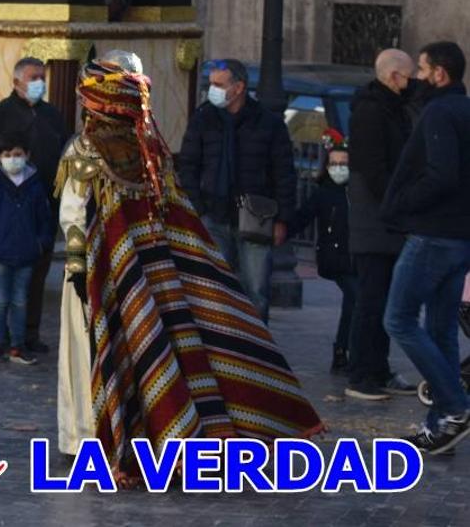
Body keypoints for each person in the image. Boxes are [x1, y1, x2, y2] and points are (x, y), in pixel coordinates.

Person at [55, 53, 323, 479]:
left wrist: (76, 264)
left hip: (106, 268)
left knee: (98, 349)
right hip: (155, 267)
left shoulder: (87, 148)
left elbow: (74, 212)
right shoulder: (151, 148)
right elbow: (172, 207)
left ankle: (87, 436)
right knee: (157, 344)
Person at [380, 40, 470, 455]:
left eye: (422, 68)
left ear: (440, 74)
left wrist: (399, 203)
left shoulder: (439, 112)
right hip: (458, 237)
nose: (417, 76)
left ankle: (454, 407)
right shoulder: (463, 110)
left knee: (398, 319)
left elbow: (441, 175)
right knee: (440, 329)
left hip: (433, 235)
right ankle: (443, 429)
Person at [176, 58, 297, 322]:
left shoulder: (268, 123)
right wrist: (198, 207)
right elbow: (188, 165)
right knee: (215, 287)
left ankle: (258, 352)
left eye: (219, 84)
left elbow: (284, 174)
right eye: (211, 84)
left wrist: (282, 220)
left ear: (239, 87)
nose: (213, 90)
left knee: (256, 289)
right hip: (214, 214)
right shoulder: (204, 118)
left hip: (256, 216)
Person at [0, 56, 70, 352]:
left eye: (42, 77)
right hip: (3, 215)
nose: (40, 82)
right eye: (33, 77)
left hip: (41, 213)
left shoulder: (52, 116)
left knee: (35, 278)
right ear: (16, 82)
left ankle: (28, 335)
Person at [346, 48, 420, 401]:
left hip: (386, 223)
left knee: (385, 300)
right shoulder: (372, 112)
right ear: (394, 76)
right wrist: (401, 204)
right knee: (371, 301)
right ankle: (361, 374)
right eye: (410, 76)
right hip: (376, 224)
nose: (414, 83)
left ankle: (378, 369)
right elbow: (373, 170)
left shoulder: (392, 109)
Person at [0, 130, 55, 365]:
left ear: (27, 155)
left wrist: (41, 243)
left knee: (20, 300)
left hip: (27, 255)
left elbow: (45, 220)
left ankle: (18, 345)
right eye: (7, 155)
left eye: (17, 154)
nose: (12, 159)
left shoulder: (35, 186)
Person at [296, 130, 357, 373]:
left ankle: (345, 352)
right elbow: (302, 217)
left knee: (354, 301)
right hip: (334, 259)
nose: (339, 168)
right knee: (356, 297)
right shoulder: (323, 193)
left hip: (354, 258)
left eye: (343, 164)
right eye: (334, 163)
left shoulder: (357, 192)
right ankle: (343, 351)